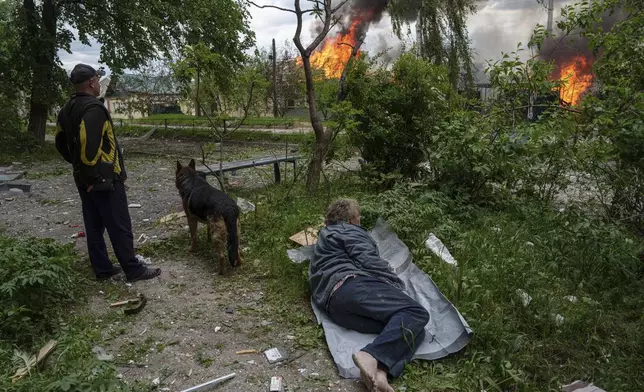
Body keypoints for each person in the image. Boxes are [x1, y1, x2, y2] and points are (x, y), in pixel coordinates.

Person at [309, 199, 429, 392]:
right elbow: (369, 260)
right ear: (350, 220)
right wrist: (396, 284)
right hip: (350, 286)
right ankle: (368, 355)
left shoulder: (326, 237)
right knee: (416, 313)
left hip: (335, 306)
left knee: (412, 329)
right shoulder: (349, 231)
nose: (360, 222)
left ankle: (380, 373)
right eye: (359, 218)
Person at [55, 63, 161, 282]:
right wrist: (94, 176)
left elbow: (60, 142)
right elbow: (88, 144)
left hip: (83, 178)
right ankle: (133, 269)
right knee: (119, 223)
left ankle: (103, 268)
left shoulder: (66, 109)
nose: (98, 83)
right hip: (103, 179)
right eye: (97, 79)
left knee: (94, 225)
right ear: (92, 82)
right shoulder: (94, 108)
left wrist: (76, 165)